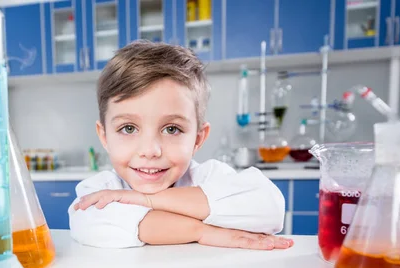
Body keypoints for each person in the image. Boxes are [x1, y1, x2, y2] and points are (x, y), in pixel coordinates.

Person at [68, 40, 292, 251]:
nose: (150, 151)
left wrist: (146, 200)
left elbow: (269, 208)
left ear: (197, 138)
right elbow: (87, 222)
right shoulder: (100, 189)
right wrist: (201, 231)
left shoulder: (209, 176)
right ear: (104, 136)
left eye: (171, 129)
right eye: (128, 128)